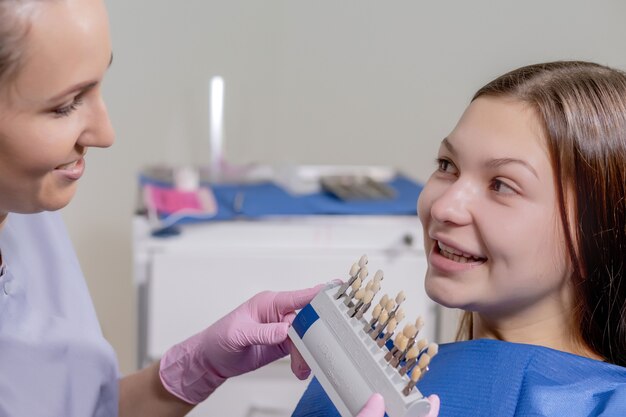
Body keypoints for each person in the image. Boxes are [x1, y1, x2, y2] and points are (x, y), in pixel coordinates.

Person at [0, 0, 442, 416]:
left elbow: (80, 408)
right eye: (64, 106)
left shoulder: (29, 214)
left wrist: (195, 367)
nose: (105, 132)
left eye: (99, 86)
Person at [293, 61, 626, 416]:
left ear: (597, 231)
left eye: (501, 185)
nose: (444, 207)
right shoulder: (361, 386)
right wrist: (221, 371)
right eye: (447, 165)